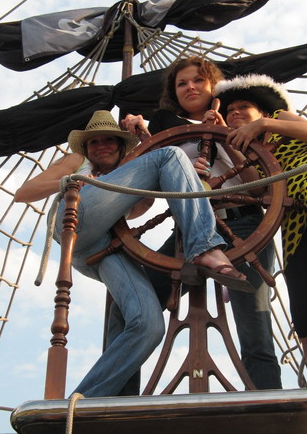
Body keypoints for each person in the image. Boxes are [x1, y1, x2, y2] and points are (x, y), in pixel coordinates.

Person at [14, 109, 253, 398]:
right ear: (85, 148)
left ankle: (85, 402)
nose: (101, 146)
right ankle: (205, 247)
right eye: (94, 142)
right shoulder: (77, 161)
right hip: (76, 219)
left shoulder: (130, 171)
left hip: (101, 247)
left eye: (109, 140)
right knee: (171, 155)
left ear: (121, 145)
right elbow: (23, 192)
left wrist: (185, 175)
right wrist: (70, 181)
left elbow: (142, 206)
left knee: (148, 326)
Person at [123, 57, 282, 390]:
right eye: (182, 83)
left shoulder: (237, 122)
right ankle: (116, 400)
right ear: (174, 93)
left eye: (198, 80)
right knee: (130, 309)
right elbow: (150, 173)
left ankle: (268, 404)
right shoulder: (166, 130)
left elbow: (259, 187)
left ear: (213, 86)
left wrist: (225, 134)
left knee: (254, 326)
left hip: (242, 225)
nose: (190, 87)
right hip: (189, 229)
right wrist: (139, 137)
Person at [210, 73, 307, 387]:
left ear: (262, 112)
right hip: (294, 219)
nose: (235, 112)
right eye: (230, 110)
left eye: (243, 107)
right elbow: (258, 188)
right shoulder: (252, 151)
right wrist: (229, 142)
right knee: (304, 310)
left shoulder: (279, 119)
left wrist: (264, 124)